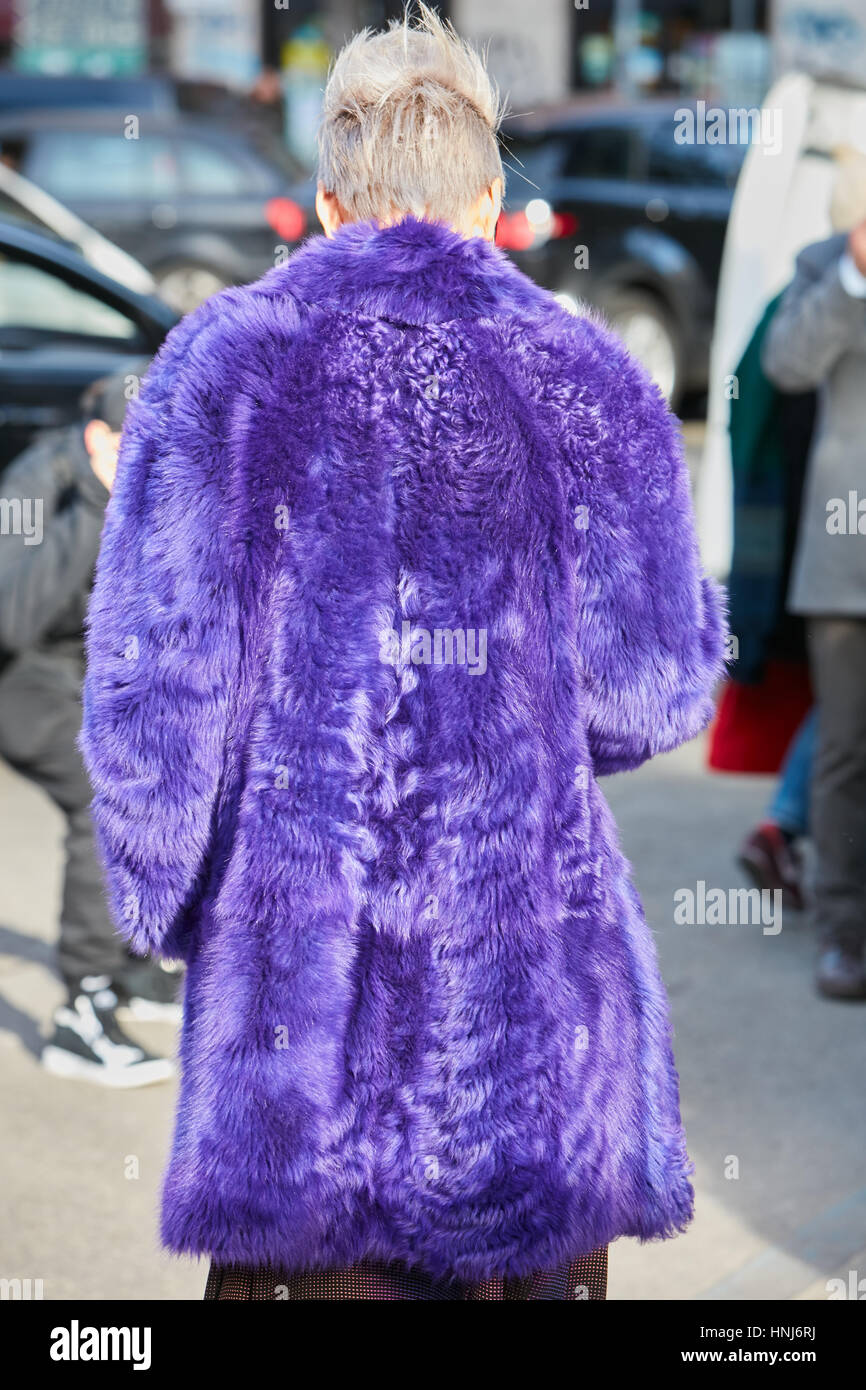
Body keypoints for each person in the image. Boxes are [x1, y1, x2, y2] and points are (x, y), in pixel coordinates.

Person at [81, 5, 725, 1299]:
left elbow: (153, 690)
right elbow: (656, 680)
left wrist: (158, 898)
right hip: (529, 1017)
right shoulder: (589, 378)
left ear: (327, 201)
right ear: (490, 200)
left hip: (295, 1018)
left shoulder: (220, 368)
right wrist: (522, 727)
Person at [0, 365, 180, 1085]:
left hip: (80, 673)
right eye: (131, 447)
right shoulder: (39, 483)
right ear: (97, 434)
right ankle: (82, 1010)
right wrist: (97, 512)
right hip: (16, 674)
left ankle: (133, 964)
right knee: (100, 795)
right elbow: (11, 618)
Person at [761, 152, 866, 1000]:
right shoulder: (824, 267)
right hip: (848, 565)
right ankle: (842, 933)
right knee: (845, 753)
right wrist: (855, 275)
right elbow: (788, 364)